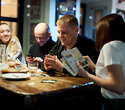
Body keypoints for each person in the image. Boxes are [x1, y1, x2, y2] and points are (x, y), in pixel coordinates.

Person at [77, 14, 125, 109]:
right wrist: (94, 67)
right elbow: (118, 73)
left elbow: (118, 87)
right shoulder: (122, 45)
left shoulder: (110, 47)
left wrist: (86, 75)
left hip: (115, 104)